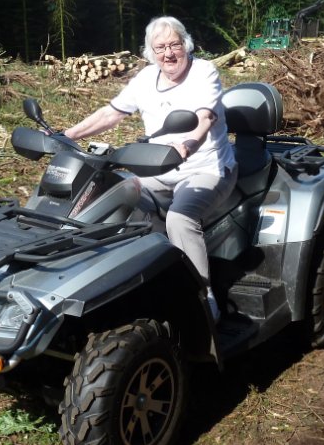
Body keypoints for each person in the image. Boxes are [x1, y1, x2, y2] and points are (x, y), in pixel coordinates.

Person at [61, 16, 237, 320]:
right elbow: (111, 113)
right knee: (115, 197)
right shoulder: (145, 79)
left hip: (207, 169)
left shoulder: (203, 72)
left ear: (186, 45)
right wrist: (67, 135)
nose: (168, 54)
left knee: (180, 218)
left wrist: (188, 145)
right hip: (158, 170)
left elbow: (205, 117)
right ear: (151, 52)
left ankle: (203, 299)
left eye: (174, 45)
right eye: (160, 48)